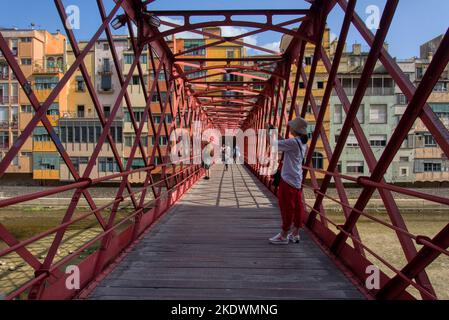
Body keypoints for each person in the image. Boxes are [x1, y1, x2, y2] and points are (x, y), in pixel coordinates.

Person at [268, 117, 308, 245]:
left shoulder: (293, 142)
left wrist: (269, 132)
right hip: (297, 179)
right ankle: (295, 233)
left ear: (295, 129)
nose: (289, 127)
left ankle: (283, 235)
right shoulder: (302, 142)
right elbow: (284, 142)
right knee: (297, 207)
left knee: (286, 207)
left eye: (291, 126)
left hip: (288, 179)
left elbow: (274, 145)